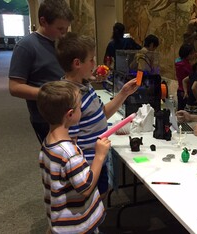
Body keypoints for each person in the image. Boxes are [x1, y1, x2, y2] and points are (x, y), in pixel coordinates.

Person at [56, 32, 139, 197]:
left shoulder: (85, 87)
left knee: (101, 195)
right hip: (86, 166)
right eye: (91, 60)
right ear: (77, 63)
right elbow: (69, 145)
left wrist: (123, 94)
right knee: (91, 204)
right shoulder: (71, 98)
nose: (95, 64)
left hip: (97, 159)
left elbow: (102, 114)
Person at [37, 80, 110, 233]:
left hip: (60, 221)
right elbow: (86, 187)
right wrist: (99, 155)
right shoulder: (69, 153)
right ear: (70, 114)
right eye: (79, 107)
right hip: (77, 226)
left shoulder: (48, 142)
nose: (81, 110)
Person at [8, 0, 74, 144]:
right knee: (58, 159)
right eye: (60, 29)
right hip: (46, 118)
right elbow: (15, 87)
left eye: (66, 29)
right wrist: (51, 94)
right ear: (43, 21)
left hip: (69, 113)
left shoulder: (60, 43)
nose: (64, 34)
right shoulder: (26, 46)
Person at [175, 43, 196, 111]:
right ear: (187, 54)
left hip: (180, 90)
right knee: (183, 112)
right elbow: (191, 75)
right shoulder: (185, 65)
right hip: (184, 91)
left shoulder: (179, 61)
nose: (194, 55)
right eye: (192, 53)